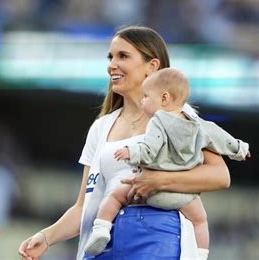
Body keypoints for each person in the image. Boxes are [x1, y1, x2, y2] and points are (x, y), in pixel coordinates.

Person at [18, 26, 232, 260]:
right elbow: (84, 207)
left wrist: (159, 180)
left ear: (152, 66)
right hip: (103, 238)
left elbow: (220, 176)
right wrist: (46, 237)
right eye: (110, 57)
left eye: (123, 56)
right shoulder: (101, 127)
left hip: (158, 233)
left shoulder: (180, 118)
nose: (112, 64)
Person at [84, 68, 250, 258]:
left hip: (148, 190)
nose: (142, 100)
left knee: (115, 197)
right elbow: (223, 140)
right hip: (183, 196)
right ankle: (201, 253)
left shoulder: (158, 122)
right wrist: (240, 149)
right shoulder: (201, 127)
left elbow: (149, 149)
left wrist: (131, 153)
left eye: (146, 96)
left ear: (164, 98)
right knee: (200, 220)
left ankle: (101, 229)